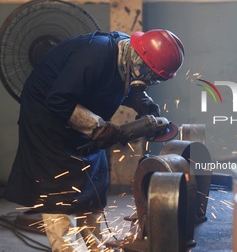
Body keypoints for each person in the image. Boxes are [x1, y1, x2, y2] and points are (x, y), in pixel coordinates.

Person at [4, 29, 185, 251]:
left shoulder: (129, 56)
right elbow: (59, 100)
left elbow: (121, 81)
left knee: (92, 180)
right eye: (152, 76)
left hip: (81, 111)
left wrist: (141, 100)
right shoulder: (95, 55)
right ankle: (67, 246)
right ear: (141, 60)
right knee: (60, 188)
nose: (151, 81)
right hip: (47, 119)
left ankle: (96, 245)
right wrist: (101, 130)